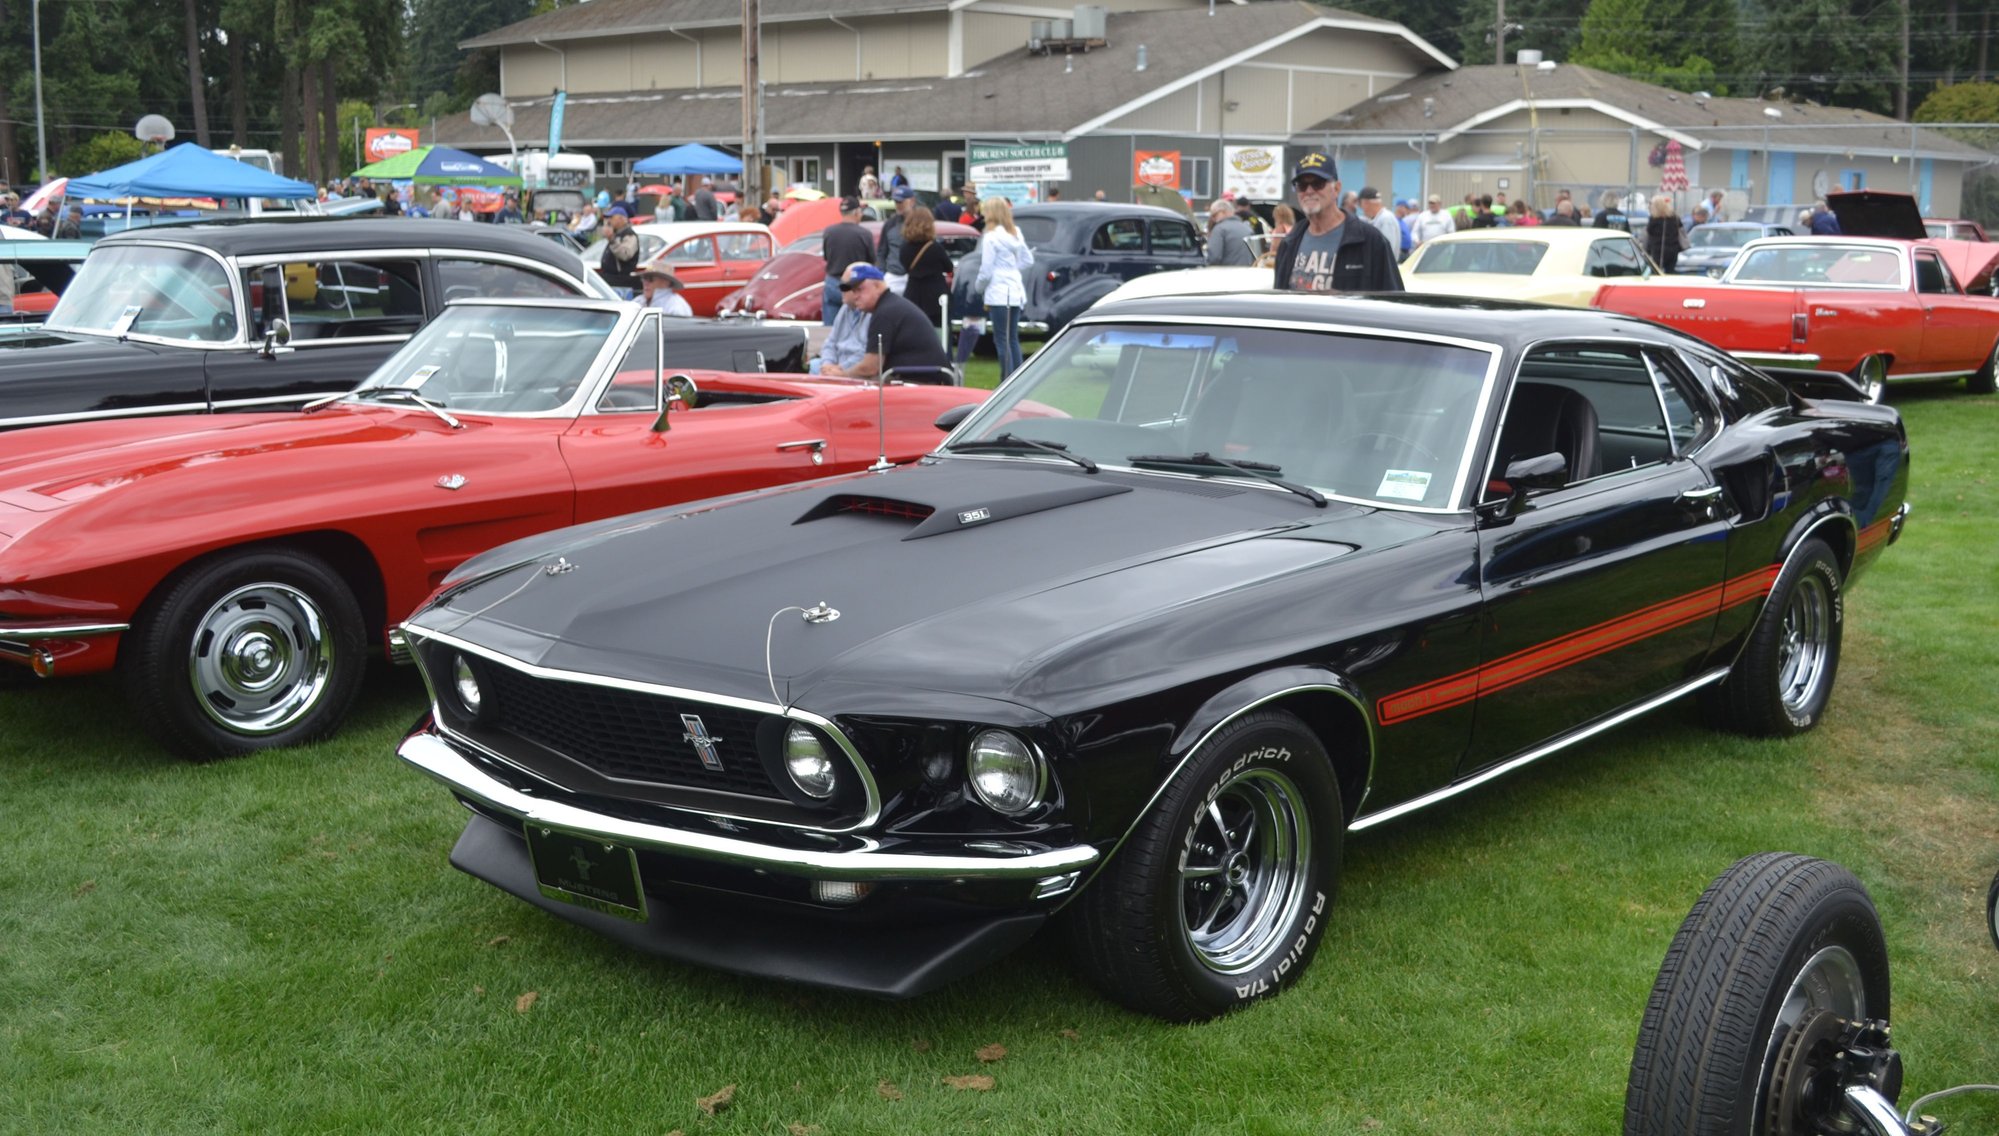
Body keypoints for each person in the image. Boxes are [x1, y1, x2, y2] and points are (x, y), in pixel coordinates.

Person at [1271, 151, 1403, 293]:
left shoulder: (1370, 241)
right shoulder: (1290, 242)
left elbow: (1393, 301)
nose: (1309, 191)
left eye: (1318, 183)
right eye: (1301, 185)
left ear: (1337, 189)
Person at [843, 264, 953, 380]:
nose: (855, 296)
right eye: (854, 291)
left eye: (859, 290)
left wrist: (840, 375)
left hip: (925, 383)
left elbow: (871, 367)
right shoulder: (890, 306)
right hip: (918, 378)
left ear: (877, 286)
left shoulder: (885, 313)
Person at [974, 196, 1035, 377]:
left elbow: (986, 270)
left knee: (1001, 339)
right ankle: (1018, 378)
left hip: (998, 292)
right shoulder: (1016, 233)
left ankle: (1006, 380)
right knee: (1012, 338)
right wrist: (1011, 270)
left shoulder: (990, 237)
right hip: (1015, 291)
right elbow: (1028, 260)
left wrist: (979, 288)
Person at [820, 196, 874, 325]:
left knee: (830, 329)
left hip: (832, 283)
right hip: (855, 286)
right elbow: (870, 262)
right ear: (856, 212)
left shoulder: (829, 232)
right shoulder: (864, 234)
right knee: (856, 328)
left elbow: (827, 257)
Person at [898, 205, 952, 332]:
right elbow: (948, 267)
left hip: (913, 293)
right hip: (935, 295)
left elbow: (904, 266)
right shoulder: (935, 248)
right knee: (940, 334)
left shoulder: (904, 248)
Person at [814, 263, 875, 376]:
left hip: (855, 372)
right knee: (814, 365)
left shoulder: (874, 313)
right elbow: (830, 343)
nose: (840, 289)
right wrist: (827, 364)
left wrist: (839, 369)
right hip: (837, 367)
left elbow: (867, 353)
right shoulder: (845, 308)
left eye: (844, 286)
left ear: (859, 288)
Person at [876, 185, 915, 287]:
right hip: (893, 276)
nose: (898, 205)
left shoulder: (921, 223)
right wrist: (882, 273)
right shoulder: (890, 224)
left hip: (915, 277)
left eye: (900, 202)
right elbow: (881, 251)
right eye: (896, 202)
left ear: (911, 201)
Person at [600, 208, 643, 297]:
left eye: (612, 218)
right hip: (611, 279)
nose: (609, 221)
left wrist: (612, 240)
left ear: (621, 219)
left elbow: (625, 254)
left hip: (620, 282)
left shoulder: (629, 235)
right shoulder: (617, 234)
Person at [1205, 198, 1254, 266]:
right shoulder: (1248, 228)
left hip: (1226, 273)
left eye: (1214, 215)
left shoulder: (1219, 229)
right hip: (1247, 272)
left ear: (1223, 212)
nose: (1213, 219)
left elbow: (1214, 258)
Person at [1643, 193, 1684, 272]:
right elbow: (1680, 229)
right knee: (1670, 271)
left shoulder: (1654, 219)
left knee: (1656, 271)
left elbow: (1649, 232)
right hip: (1673, 249)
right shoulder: (1675, 218)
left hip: (1658, 250)